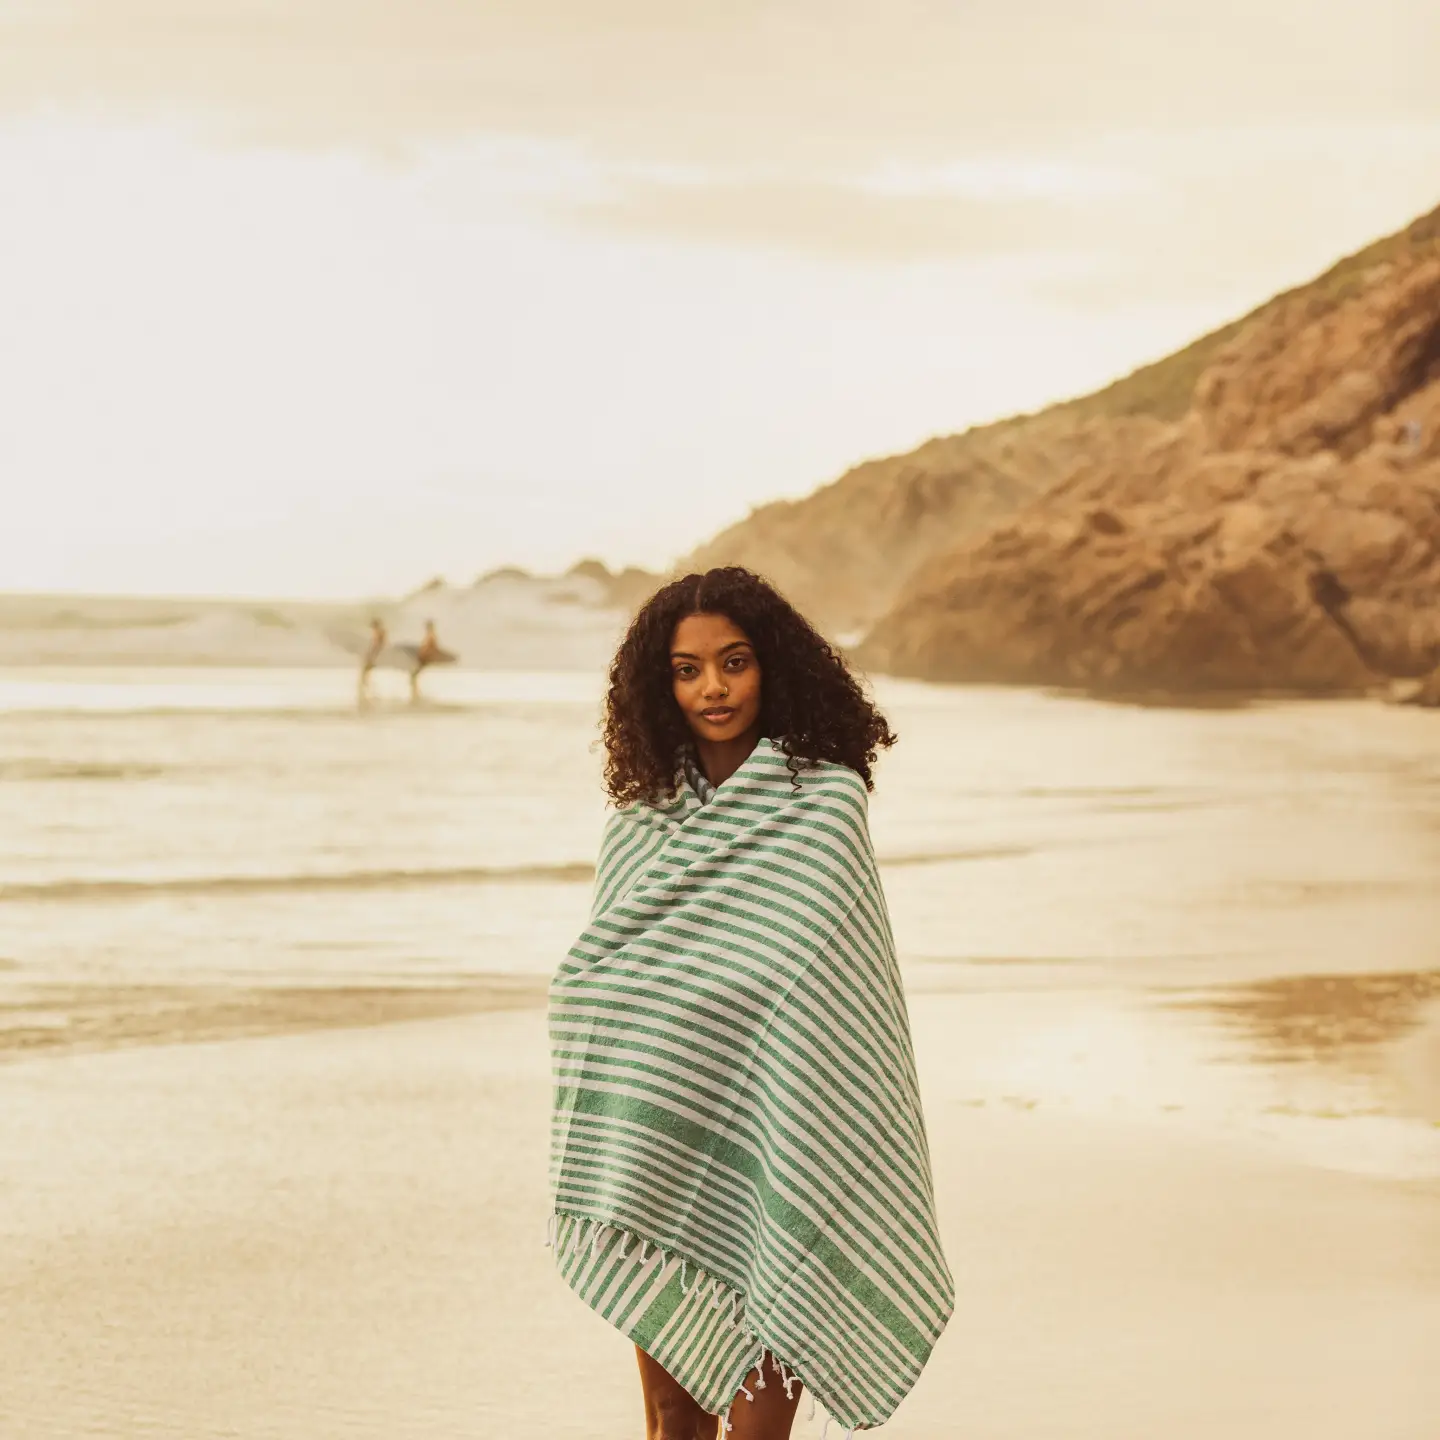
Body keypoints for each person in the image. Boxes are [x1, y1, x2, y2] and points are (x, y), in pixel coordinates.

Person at [547, 567, 953, 1440]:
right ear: (661, 689)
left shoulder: (824, 806)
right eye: (687, 670)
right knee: (670, 1422)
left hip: (786, 1154)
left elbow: (832, 996)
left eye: (733, 663)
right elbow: (606, 986)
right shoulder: (640, 825)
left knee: (758, 1434)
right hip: (663, 1153)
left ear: (773, 667)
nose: (713, 688)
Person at [409, 619, 441, 701]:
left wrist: (421, 655)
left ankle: (415, 694)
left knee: (413, 675)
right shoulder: (431, 635)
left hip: (425, 658)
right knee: (414, 675)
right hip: (424, 658)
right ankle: (416, 693)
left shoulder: (431, 636)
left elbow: (429, 648)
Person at [358, 617, 386, 703]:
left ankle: (365, 691)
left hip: (373, 656)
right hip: (375, 656)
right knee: (366, 673)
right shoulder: (382, 632)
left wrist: (370, 656)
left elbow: (375, 645)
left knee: (365, 673)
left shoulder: (378, 633)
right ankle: (367, 689)